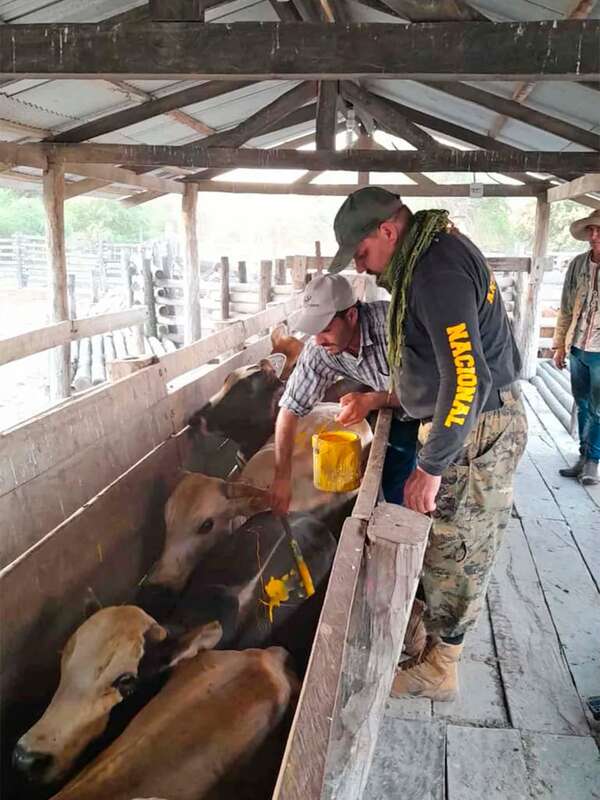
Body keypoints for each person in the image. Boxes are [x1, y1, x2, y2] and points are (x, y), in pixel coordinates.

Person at [327, 186, 527, 701]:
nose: (363, 267)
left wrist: (431, 465)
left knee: (459, 544)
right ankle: (430, 644)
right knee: (444, 537)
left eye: (363, 253)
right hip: (462, 421)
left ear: (388, 231)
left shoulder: (436, 271)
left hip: (476, 428)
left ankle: (442, 668)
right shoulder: (427, 258)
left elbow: (466, 378)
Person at [269, 272, 419, 514]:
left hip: (444, 410)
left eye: (325, 329)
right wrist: (282, 477)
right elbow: (289, 409)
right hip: (398, 406)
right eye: (313, 330)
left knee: (419, 487)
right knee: (391, 483)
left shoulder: (396, 327)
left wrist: (372, 400)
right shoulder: (319, 348)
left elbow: (430, 392)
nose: (318, 340)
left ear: (351, 315)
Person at [552, 210, 600, 486]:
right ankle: (583, 456)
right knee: (581, 403)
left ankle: (593, 460)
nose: (594, 236)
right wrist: (559, 345)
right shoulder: (578, 265)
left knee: (598, 408)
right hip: (578, 345)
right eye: (591, 230)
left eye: (599, 230)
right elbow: (566, 307)